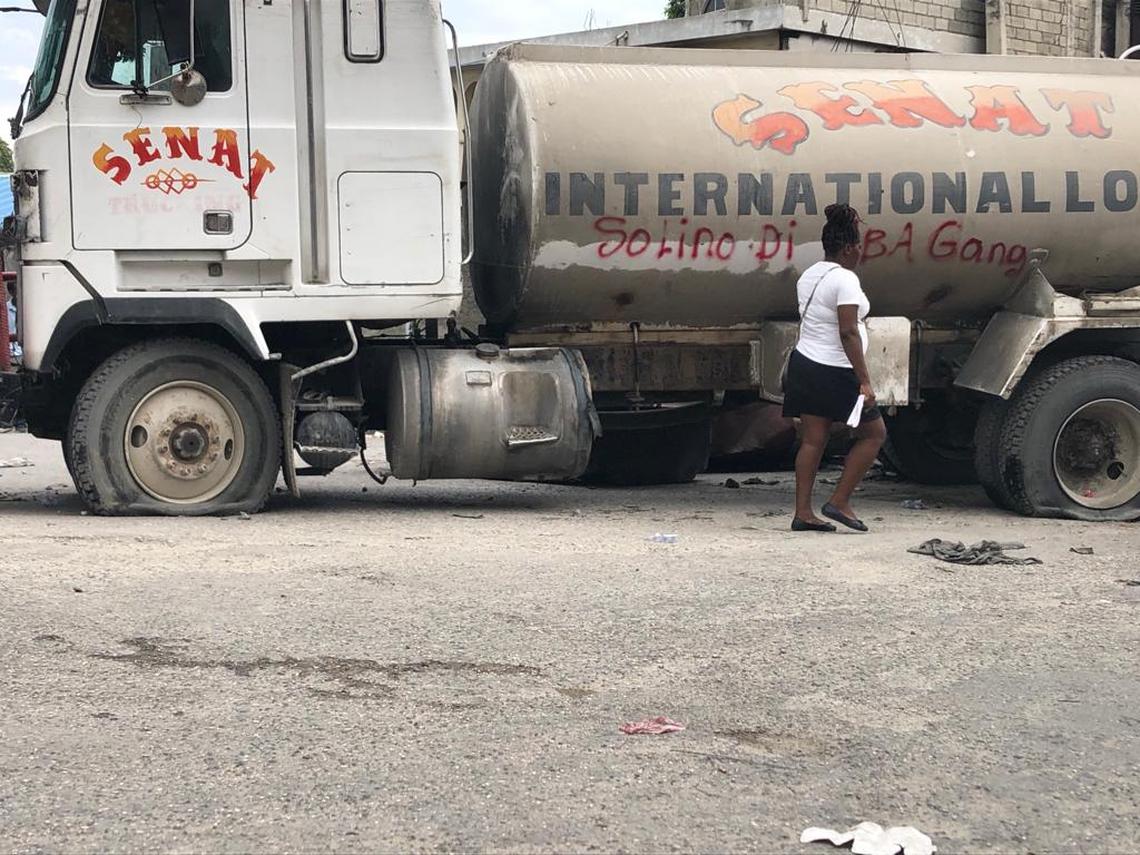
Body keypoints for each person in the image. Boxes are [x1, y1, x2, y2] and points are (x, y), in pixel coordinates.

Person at [782, 204, 886, 533]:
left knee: (814, 440)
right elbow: (848, 331)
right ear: (847, 248)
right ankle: (839, 501)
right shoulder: (845, 279)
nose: (860, 254)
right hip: (835, 369)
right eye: (858, 248)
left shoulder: (810, 275)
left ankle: (803, 513)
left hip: (806, 364)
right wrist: (865, 382)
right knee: (874, 434)